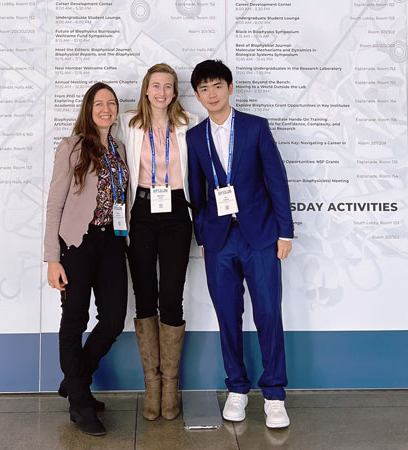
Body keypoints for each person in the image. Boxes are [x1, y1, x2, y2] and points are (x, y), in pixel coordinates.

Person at [186, 60, 294, 429]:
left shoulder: (255, 127)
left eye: (217, 85)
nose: (211, 94)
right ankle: (236, 388)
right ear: (198, 96)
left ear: (230, 88)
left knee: (267, 313)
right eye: (204, 89)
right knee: (227, 317)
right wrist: (203, 236)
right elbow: (196, 191)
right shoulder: (194, 136)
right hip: (219, 241)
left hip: (261, 237)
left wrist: (285, 232)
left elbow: (276, 180)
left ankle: (275, 394)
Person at [44, 82, 129, 436]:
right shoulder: (72, 146)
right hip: (77, 244)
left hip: (112, 242)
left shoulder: (120, 148)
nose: (106, 109)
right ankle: (79, 403)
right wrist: (52, 257)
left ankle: (75, 381)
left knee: (113, 320)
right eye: (99, 103)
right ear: (87, 108)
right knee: (75, 319)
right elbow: (55, 204)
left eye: (111, 103)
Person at [116, 63, 199, 420]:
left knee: (172, 296)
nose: (162, 92)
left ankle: (171, 387)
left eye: (168, 86)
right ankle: (152, 383)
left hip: (178, 211)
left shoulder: (191, 123)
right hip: (143, 211)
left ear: (175, 91)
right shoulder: (129, 122)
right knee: (145, 294)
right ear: (146, 90)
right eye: (155, 85)